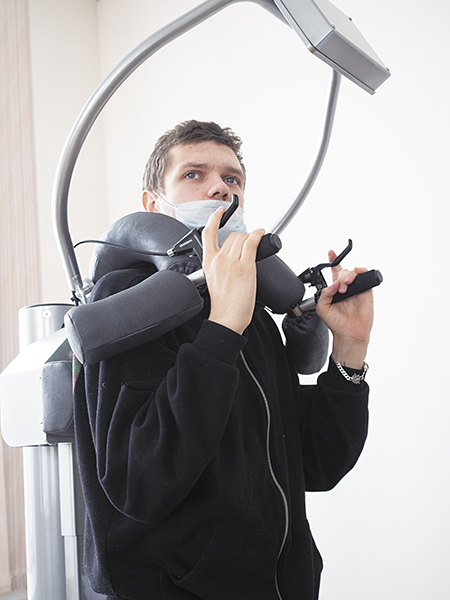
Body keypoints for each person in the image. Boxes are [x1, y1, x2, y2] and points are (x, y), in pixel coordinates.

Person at [73, 120, 373, 600]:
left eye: (232, 179)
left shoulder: (250, 310)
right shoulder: (126, 301)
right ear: (153, 204)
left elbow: (317, 463)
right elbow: (139, 483)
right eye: (194, 174)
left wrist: (350, 351)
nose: (220, 189)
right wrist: (222, 328)